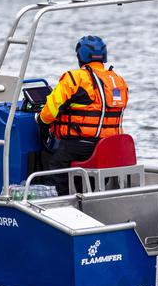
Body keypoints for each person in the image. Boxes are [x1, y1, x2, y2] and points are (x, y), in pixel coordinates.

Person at [38, 35, 129, 194]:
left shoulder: (75, 78)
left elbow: (50, 111)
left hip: (80, 144)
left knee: (54, 165)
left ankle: (61, 203)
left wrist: (42, 122)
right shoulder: (118, 80)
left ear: (80, 56)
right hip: (108, 146)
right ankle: (86, 194)